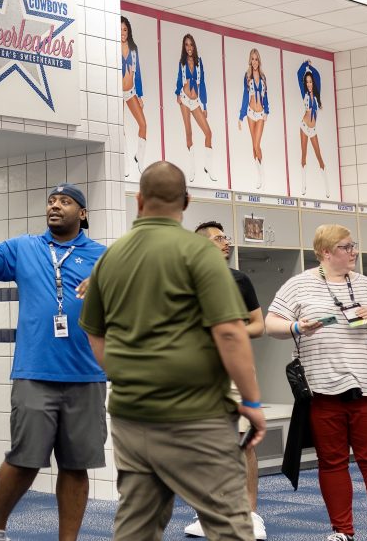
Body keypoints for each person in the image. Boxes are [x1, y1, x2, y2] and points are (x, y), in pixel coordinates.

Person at [79, 161, 265, 541]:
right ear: (186, 200)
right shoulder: (199, 254)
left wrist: (126, 374)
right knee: (229, 523)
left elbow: (94, 337)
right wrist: (251, 401)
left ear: (139, 199)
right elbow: (230, 333)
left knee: (137, 525)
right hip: (196, 415)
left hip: (131, 416)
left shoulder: (109, 259)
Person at [0, 174, 107, 541]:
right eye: (51, 200)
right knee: (24, 460)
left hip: (86, 376)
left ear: (82, 213)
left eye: (65, 201)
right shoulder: (25, 248)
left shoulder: (103, 257)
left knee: (76, 466)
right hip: (35, 373)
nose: (55, 204)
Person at [266, 224, 367, 541]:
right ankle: (342, 531)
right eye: (347, 247)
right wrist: (296, 326)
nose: (354, 252)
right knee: (332, 462)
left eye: (354, 246)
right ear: (326, 252)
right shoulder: (298, 285)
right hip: (322, 389)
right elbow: (270, 324)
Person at [183, 220, 267, 540]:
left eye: (226, 238)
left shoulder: (238, 279)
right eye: (219, 239)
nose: (226, 243)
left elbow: (258, 325)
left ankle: (250, 514)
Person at [174, 33, 217, 183]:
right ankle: (192, 168)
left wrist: (204, 104)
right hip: (185, 100)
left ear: (194, 46)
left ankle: (208, 166)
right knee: (189, 132)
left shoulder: (199, 62)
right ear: (184, 47)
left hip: (196, 101)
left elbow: (202, 83)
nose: (189, 48)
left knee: (208, 133)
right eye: (186, 45)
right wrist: (177, 93)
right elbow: (179, 79)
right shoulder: (182, 62)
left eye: (191, 44)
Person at [297, 60, 330, 197]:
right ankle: (304, 185)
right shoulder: (304, 92)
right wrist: (304, 64)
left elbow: (318, 76)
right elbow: (299, 74)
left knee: (319, 156)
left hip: (313, 129)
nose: (309, 84)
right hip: (304, 127)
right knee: (303, 155)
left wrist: (310, 67)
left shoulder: (317, 94)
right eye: (307, 82)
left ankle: (327, 187)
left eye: (310, 81)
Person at [237, 48, 269, 189]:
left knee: (257, 144)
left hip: (260, 113)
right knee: (253, 145)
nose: (254, 61)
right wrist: (241, 115)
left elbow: (265, 96)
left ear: (259, 60)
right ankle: (259, 175)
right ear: (250, 60)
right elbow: (245, 96)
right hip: (250, 113)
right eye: (252, 59)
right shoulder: (247, 76)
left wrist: (266, 110)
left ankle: (262, 175)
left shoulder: (263, 77)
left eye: (256, 59)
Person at [121, 15, 147, 179]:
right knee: (120, 128)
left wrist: (140, 94)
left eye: (124, 29)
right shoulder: (110, 46)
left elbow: (137, 73)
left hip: (131, 92)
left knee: (143, 124)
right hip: (115, 92)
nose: (122, 33)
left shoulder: (133, 48)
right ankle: (125, 163)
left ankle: (140, 158)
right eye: (120, 30)